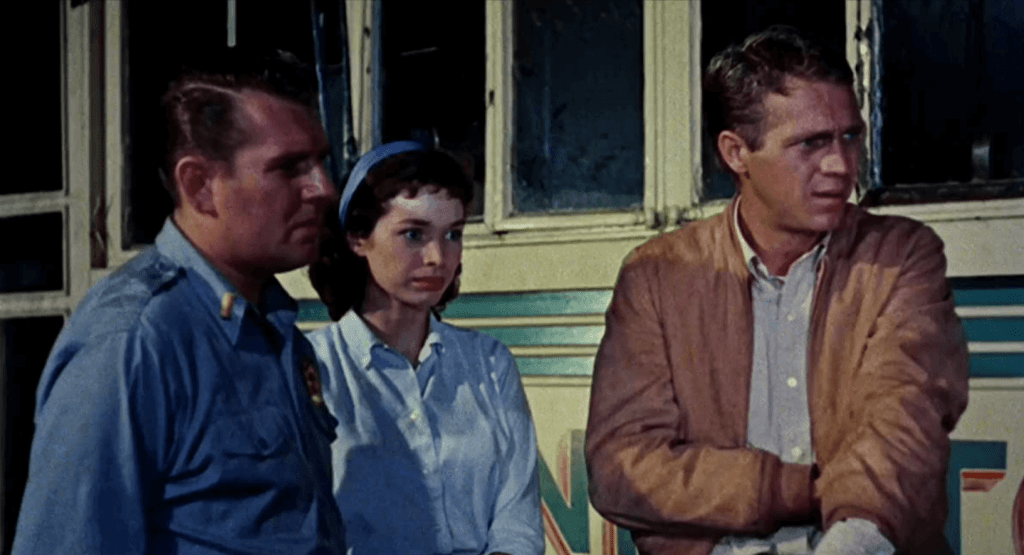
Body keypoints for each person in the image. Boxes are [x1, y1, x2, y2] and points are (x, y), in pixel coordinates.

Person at [585, 26, 969, 555]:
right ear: (737, 153)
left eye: (849, 137)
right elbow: (623, 465)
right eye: (811, 143)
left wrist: (852, 538)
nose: (839, 165)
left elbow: (905, 416)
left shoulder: (901, 256)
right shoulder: (657, 275)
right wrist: (796, 490)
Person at [12, 49, 346, 554]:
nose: (323, 188)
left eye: (321, 162)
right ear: (200, 185)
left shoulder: (274, 330)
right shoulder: (133, 341)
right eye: (289, 168)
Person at [306, 141, 544, 555]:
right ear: (358, 239)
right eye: (413, 234)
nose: (438, 257)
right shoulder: (310, 367)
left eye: (452, 234)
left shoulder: (489, 363)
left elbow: (517, 521)